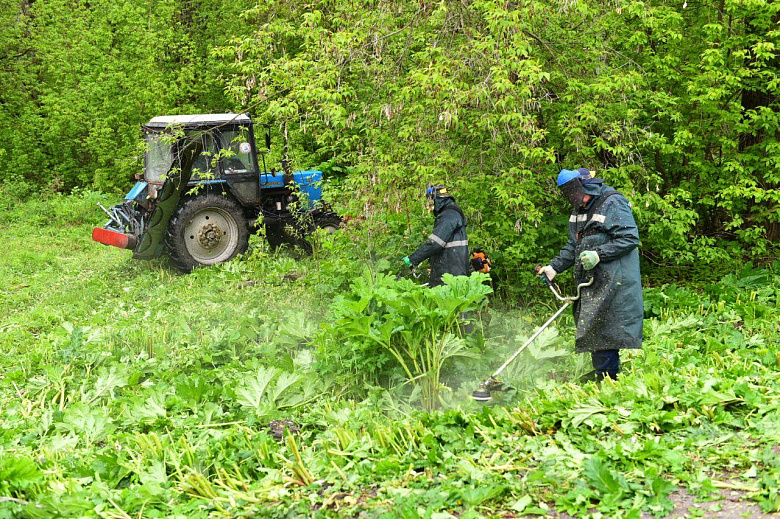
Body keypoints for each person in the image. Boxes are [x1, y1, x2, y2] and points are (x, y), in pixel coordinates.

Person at [537, 168, 643, 381]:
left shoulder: (612, 202)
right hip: (593, 281)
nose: (577, 200)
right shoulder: (578, 212)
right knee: (595, 328)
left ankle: (607, 380)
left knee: (606, 331)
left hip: (616, 279)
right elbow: (573, 245)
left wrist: (598, 254)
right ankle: (605, 377)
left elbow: (629, 238)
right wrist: (554, 267)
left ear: (587, 188)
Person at [403, 184, 470, 287]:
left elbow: (435, 244)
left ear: (437, 199)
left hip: (449, 275)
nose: (430, 205)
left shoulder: (448, 216)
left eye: (431, 200)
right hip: (453, 272)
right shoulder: (452, 214)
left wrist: (413, 259)